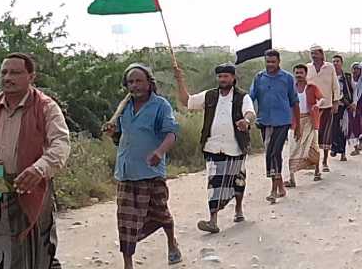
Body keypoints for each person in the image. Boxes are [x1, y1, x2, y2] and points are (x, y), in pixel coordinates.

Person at [0, 53, 70, 269]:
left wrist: (39, 169)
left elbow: (60, 143)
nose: (7, 77)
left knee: (37, 246)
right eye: (4, 72)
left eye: (15, 72)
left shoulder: (45, 107)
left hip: (33, 184)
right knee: (3, 245)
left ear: (31, 76)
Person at [103, 63, 182, 268]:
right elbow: (121, 136)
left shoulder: (160, 105)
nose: (134, 85)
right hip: (126, 171)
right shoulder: (124, 107)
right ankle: (128, 263)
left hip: (151, 171)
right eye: (130, 82)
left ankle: (172, 243)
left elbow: (171, 133)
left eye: (139, 81)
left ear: (149, 83)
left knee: (161, 213)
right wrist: (113, 132)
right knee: (125, 222)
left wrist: (159, 151)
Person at [174, 63, 256, 234]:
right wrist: (179, 80)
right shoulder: (210, 96)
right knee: (214, 184)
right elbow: (186, 101)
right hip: (213, 146)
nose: (222, 80)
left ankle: (238, 209)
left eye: (226, 76)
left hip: (235, 147)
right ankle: (213, 221)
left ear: (233, 78)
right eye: (220, 77)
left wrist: (246, 122)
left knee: (238, 181)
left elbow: (250, 113)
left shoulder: (242, 97)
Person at [250, 50, 300, 204]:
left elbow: (294, 102)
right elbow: (250, 98)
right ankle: (281, 187)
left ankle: (273, 190)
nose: (270, 65)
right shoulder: (259, 78)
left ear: (279, 62)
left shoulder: (287, 78)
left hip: (282, 121)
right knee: (270, 152)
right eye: (268, 62)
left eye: (273, 62)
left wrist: (297, 124)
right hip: (265, 121)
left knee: (274, 152)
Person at [286, 64, 324, 186]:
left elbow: (321, 98)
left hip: (309, 120)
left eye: (301, 73)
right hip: (295, 121)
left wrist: (318, 105)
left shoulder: (311, 87)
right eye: (296, 73)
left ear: (305, 74)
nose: (298, 75)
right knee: (293, 148)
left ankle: (317, 171)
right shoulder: (291, 89)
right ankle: (292, 178)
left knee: (313, 147)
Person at [306, 45, 340, 174]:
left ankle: (325, 161)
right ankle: (315, 164)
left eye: (315, 53)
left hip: (327, 106)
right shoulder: (308, 68)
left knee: (326, 135)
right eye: (312, 53)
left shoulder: (329, 67)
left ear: (321, 54)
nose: (313, 56)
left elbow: (335, 85)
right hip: (312, 107)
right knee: (313, 137)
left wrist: (336, 101)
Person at [330, 55, 353, 161]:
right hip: (332, 106)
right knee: (332, 128)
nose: (335, 63)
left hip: (344, 106)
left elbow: (353, 91)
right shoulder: (329, 77)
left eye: (337, 61)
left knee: (343, 129)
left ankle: (343, 152)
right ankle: (334, 148)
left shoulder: (347, 77)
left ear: (341, 63)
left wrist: (352, 104)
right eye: (333, 61)